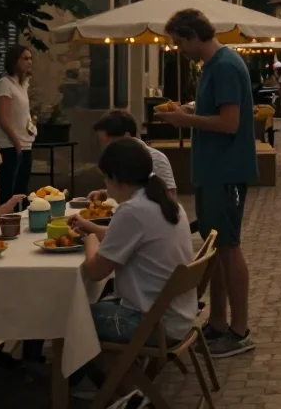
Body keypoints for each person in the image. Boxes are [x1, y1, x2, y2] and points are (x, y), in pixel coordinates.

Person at [155, 9, 256, 357]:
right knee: (215, 249)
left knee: (228, 248)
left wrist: (186, 119)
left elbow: (230, 123)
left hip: (225, 171)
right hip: (213, 171)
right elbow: (217, 107)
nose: (177, 49)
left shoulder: (225, 66)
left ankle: (239, 330)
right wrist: (190, 107)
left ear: (193, 35)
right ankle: (217, 322)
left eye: (178, 42)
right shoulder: (214, 65)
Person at [70, 138, 197, 345]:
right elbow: (124, 238)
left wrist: (89, 239)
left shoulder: (132, 211)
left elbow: (95, 272)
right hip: (178, 315)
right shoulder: (162, 201)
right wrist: (89, 226)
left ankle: (105, 374)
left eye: (105, 179)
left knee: (70, 314)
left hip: (152, 322)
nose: (105, 185)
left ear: (117, 179)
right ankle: (114, 371)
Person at [88, 110, 178, 201]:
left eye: (108, 143)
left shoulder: (155, 158)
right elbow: (129, 191)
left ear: (127, 137)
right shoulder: (120, 159)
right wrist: (103, 194)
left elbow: (169, 201)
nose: (105, 149)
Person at [0, 44, 36, 208]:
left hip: (26, 143)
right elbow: (2, 117)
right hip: (9, 145)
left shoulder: (23, 85)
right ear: (14, 61)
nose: (29, 62)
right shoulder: (4, 84)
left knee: (22, 189)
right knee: (7, 191)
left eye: (30, 58)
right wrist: (16, 141)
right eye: (25, 58)